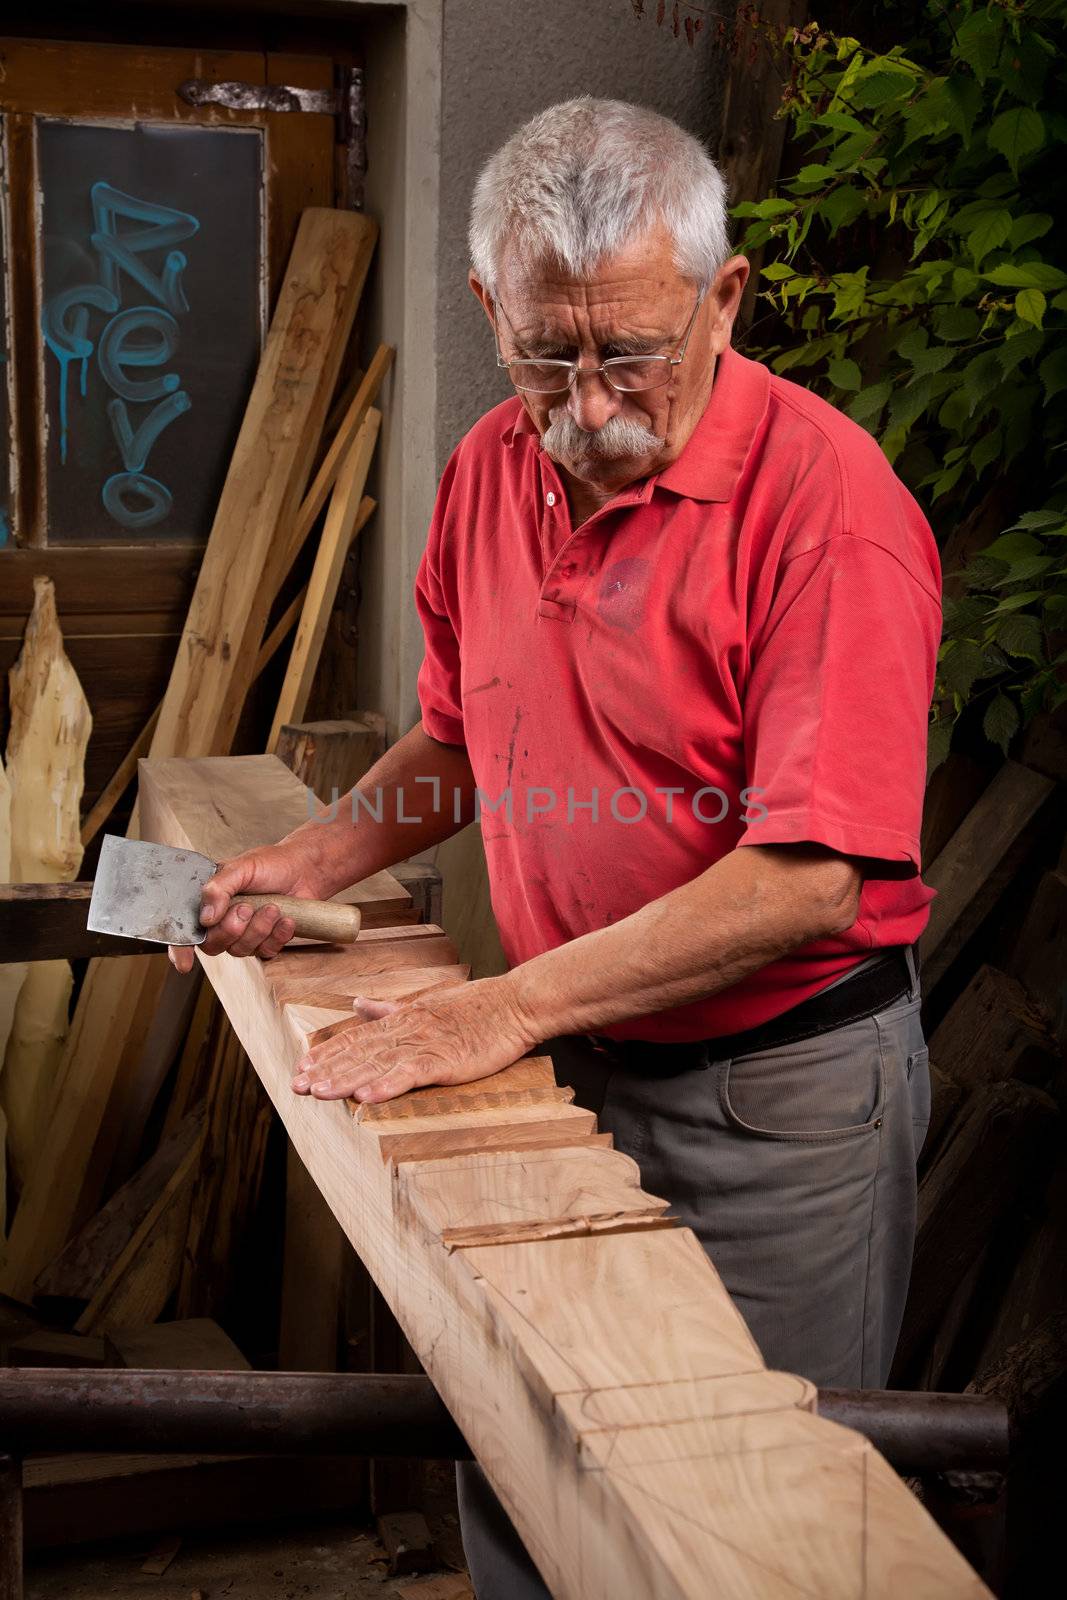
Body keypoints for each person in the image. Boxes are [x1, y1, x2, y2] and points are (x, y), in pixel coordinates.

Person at [169, 99, 940, 1599]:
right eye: (546, 356)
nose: (588, 405)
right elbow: (463, 737)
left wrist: (496, 1007)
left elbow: (810, 876)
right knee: (527, 1465)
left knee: (748, 1526)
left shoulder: (826, 510)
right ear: (488, 310)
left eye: (632, 354)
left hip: (776, 1099)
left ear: (724, 299)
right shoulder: (484, 475)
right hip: (572, 1056)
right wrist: (319, 860)